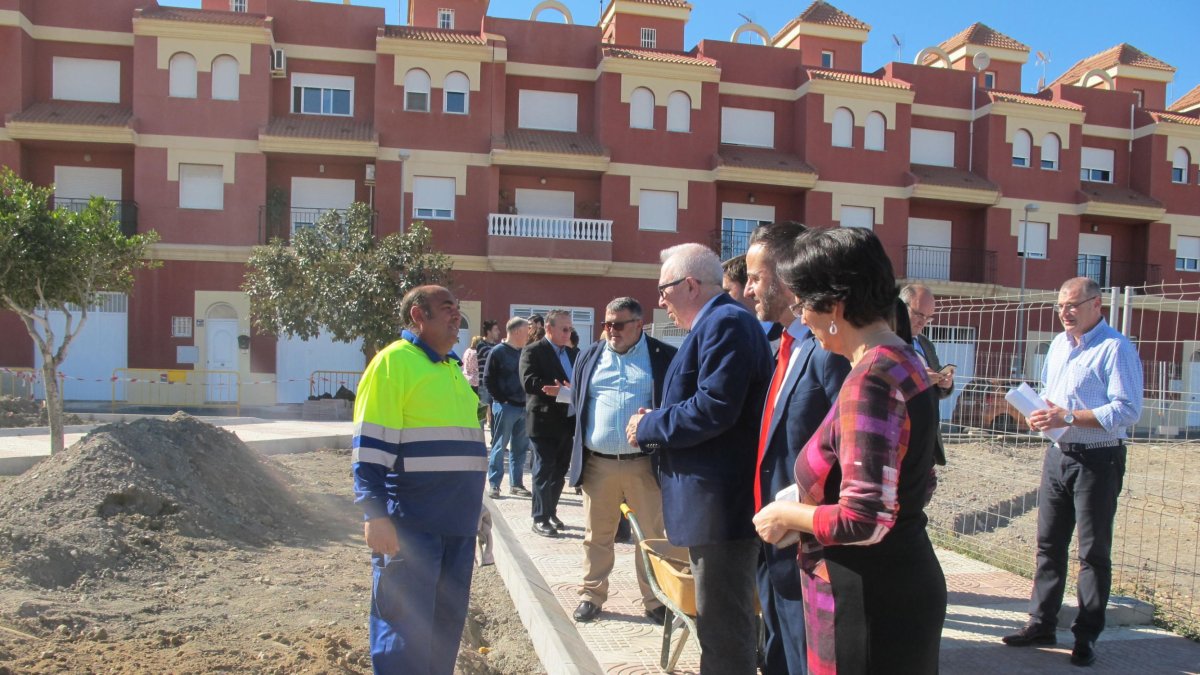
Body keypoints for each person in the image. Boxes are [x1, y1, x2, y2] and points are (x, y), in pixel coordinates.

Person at [753, 227, 946, 674]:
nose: (802, 318)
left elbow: (864, 520)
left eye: (803, 304)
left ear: (835, 305)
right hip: (893, 583)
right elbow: (919, 478)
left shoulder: (871, 379)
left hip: (866, 599)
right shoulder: (904, 359)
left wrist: (786, 515)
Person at [628, 243, 772, 674]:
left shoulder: (726, 322)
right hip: (712, 507)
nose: (660, 301)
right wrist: (658, 418)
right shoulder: (714, 323)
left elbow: (715, 409)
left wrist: (649, 426)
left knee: (723, 629)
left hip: (721, 510)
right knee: (718, 624)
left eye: (664, 290)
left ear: (690, 285)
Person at [1001, 277, 1143, 667]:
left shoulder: (1115, 348)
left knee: (1092, 552)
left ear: (1097, 305)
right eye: (1060, 306)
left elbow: (1127, 409)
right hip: (1058, 455)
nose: (1065, 313)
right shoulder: (1058, 345)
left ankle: (1085, 636)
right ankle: (1041, 624)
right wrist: (1039, 413)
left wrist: (1067, 416)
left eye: (1073, 305)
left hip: (1098, 459)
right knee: (1048, 545)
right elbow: (1053, 397)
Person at [351, 285, 486, 675]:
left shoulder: (452, 368)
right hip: (411, 528)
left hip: (457, 527)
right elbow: (369, 449)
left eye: (457, 308)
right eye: (446, 308)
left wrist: (478, 508)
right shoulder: (393, 363)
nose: (456, 315)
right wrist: (375, 514)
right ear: (418, 315)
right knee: (403, 631)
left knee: (444, 632)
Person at [744, 222, 850, 675]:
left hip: (809, 548)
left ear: (787, 277)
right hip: (774, 542)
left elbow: (846, 456)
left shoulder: (828, 351)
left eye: (756, 277)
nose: (747, 289)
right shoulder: (782, 346)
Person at [568, 297, 677, 625]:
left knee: (651, 536)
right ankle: (591, 594)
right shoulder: (590, 355)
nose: (610, 330)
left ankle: (655, 599)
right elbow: (579, 404)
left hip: (644, 464)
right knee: (596, 535)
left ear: (638, 324)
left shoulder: (663, 356)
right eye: (607, 324)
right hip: (598, 465)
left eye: (618, 324)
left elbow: (674, 406)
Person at [521, 309, 579, 537]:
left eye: (570, 329)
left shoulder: (574, 354)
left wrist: (571, 391)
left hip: (567, 421)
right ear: (549, 328)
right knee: (543, 469)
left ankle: (551, 511)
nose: (568, 333)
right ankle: (540, 517)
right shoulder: (533, 351)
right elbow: (528, 381)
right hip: (543, 421)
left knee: (560, 470)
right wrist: (558, 390)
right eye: (564, 329)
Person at [900, 283, 954, 465]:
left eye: (928, 317)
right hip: (900, 437)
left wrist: (945, 383)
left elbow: (936, 385)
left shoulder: (926, 344)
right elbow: (882, 385)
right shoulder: (886, 343)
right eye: (918, 314)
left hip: (927, 441)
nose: (923, 322)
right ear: (901, 308)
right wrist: (919, 379)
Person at [483, 317, 533, 499]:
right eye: (527, 331)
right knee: (499, 446)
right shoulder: (497, 352)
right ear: (517, 331)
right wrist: (501, 400)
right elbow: (488, 379)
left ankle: (516, 484)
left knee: (520, 448)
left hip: (523, 407)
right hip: (506, 407)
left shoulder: (525, 352)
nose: (529, 335)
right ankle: (494, 484)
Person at [477, 320, 502, 429]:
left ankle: (494, 437)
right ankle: (478, 436)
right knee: (481, 414)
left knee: (495, 414)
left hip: (496, 385)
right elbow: (492, 356)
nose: (498, 332)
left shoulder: (497, 347)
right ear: (488, 332)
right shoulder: (481, 345)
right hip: (484, 385)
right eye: (495, 330)